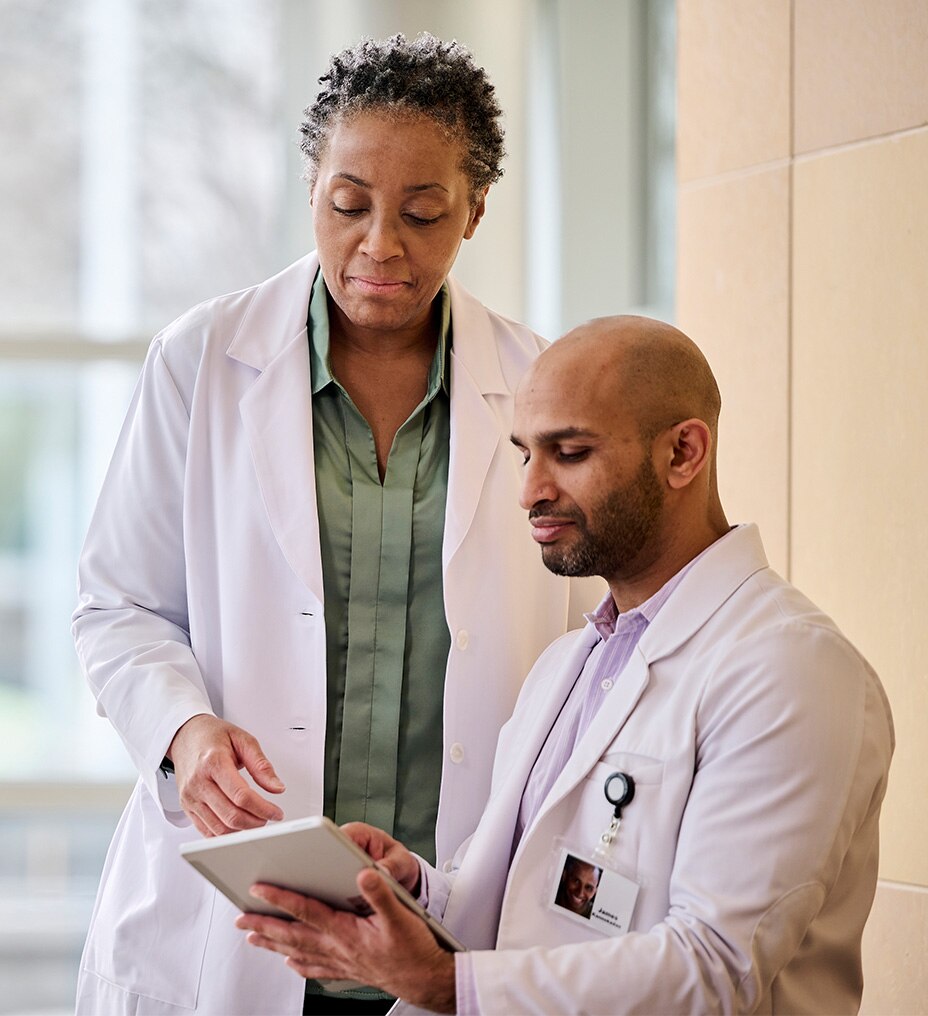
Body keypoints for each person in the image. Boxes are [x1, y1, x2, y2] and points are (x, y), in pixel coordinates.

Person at [71, 34, 596, 1016]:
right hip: (228, 922)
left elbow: (584, 645)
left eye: (424, 212)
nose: (380, 245)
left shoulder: (540, 386)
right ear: (311, 185)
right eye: (348, 204)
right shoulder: (200, 360)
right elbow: (118, 606)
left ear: (476, 208)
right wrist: (184, 732)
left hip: (449, 927)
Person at [236, 316, 895, 1015]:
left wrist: (445, 984)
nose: (530, 491)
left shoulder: (793, 669)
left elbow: (714, 969)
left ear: (683, 453)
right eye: (525, 454)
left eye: (570, 452)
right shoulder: (570, 663)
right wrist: (419, 893)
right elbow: (542, 902)